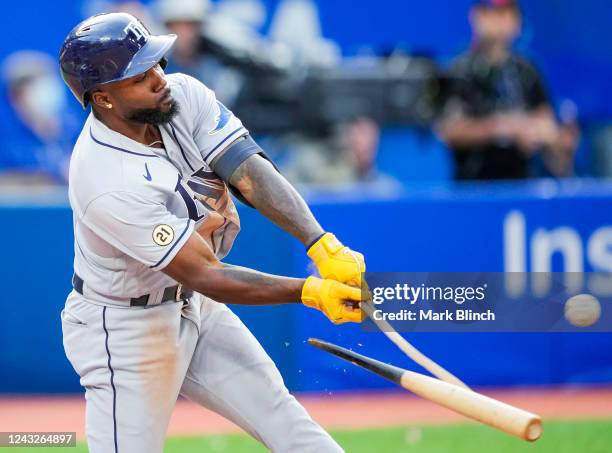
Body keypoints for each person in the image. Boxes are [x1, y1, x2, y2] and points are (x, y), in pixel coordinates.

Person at [59, 12, 366, 453]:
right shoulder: (103, 177)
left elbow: (249, 172)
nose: (159, 78)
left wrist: (320, 242)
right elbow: (207, 275)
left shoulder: (182, 94)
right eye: (140, 75)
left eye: (157, 63)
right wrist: (310, 291)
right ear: (104, 98)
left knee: (282, 417)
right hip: (124, 330)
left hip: (192, 307)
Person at [437, 0, 579, 180]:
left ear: (517, 22)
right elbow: (449, 130)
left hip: (522, 183)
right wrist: (504, 128)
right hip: (473, 186)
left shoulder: (528, 71)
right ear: (476, 16)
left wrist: (554, 138)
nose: (497, 20)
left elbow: (546, 123)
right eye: (490, 12)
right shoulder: (456, 70)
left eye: (505, 13)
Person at [0, 51, 81, 184]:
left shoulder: (73, 123)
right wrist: (55, 172)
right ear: (15, 97)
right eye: (35, 88)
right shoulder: (5, 133)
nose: (46, 93)